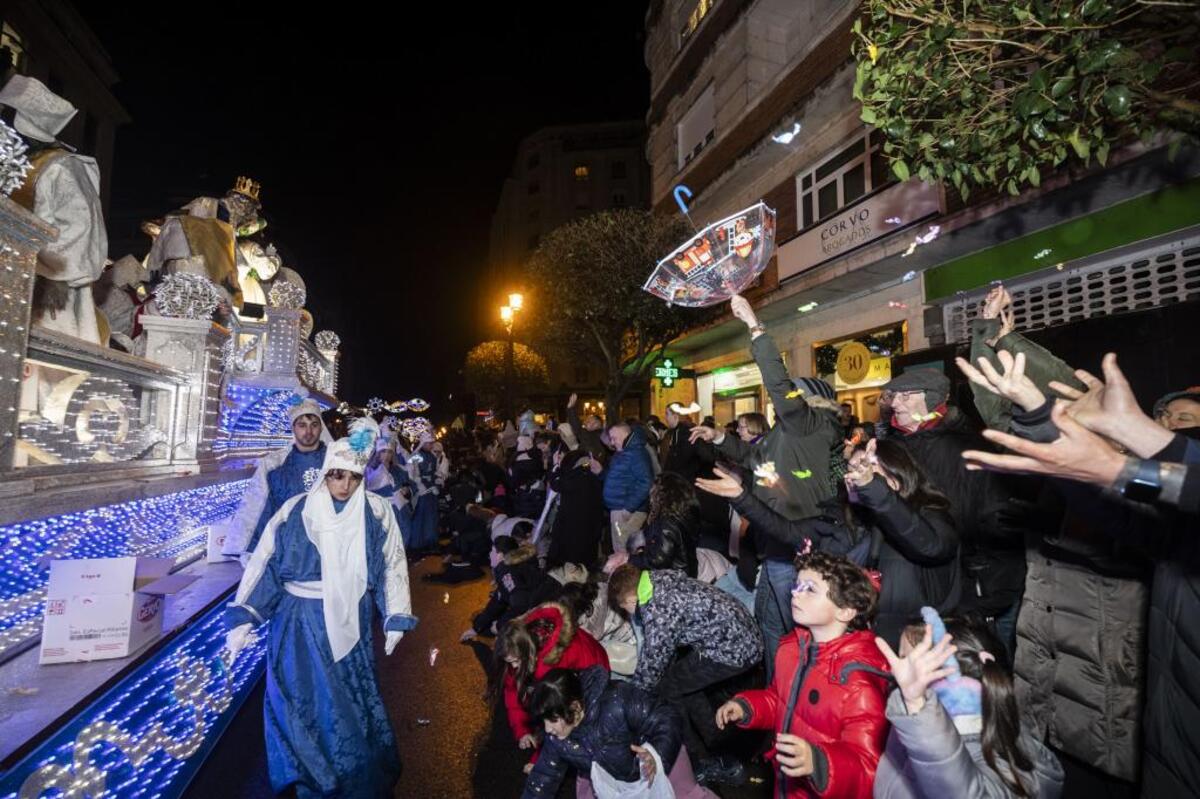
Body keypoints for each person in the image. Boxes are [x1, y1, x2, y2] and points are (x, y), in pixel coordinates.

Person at [960, 352, 1200, 795]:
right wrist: (1041, 420)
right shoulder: (1174, 490)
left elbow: (1143, 500)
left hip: (1105, 683)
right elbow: (1144, 501)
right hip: (1159, 739)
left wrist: (1119, 466)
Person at [224, 418, 416, 798]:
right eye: (338, 476)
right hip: (296, 625)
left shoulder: (375, 514)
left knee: (346, 704)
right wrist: (245, 616)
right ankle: (306, 779)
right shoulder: (295, 511)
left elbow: (392, 564)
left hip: (348, 622)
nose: (345, 485)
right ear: (326, 473)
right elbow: (267, 563)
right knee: (296, 704)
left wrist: (395, 614)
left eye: (354, 478)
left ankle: (351, 775)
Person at [689, 295, 841, 680]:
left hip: (796, 546)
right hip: (772, 543)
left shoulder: (808, 425)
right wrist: (719, 438)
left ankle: (804, 695)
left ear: (809, 402)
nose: (779, 404)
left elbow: (778, 384)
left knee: (799, 633)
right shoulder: (786, 434)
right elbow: (756, 459)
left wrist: (755, 328)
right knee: (772, 627)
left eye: (792, 397)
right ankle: (778, 690)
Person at [696, 437, 960, 648]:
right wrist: (742, 497)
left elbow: (929, 546)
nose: (854, 476)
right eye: (852, 469)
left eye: (866, 469)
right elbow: (788, 531)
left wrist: (873, 489)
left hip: (923, 646)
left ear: (896, 476)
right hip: (862, 646)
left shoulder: (930, 515)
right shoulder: (848, 518)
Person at [714, 551, 890, 799]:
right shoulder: (792, 649)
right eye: (798, 585)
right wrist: (748, 707)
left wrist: (819, 763)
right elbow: (780, 700)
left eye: (810, 589)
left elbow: (868, 770)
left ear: (845, 611)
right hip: (786, 784)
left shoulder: (858, 684)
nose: (795, 592)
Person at [878, 367, 1025, 650]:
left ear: (932, 399)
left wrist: (983, 590)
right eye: (894, 395)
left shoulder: (970, 450)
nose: (896, 403)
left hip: (969, 591)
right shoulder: (893, 448)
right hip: (914, 587)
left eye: (907, 396)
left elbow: (999, 523)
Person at [873, 611, 1065, 799]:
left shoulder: (1003, 763)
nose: (896, 669)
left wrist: (917, 706)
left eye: (908, 661)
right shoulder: (911, 719)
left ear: (946, 679)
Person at [609, 563, 762, 786]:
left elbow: (652, 664)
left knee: (668, 689)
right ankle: (712, 734)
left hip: (734, 649)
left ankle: (702, 760)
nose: (628, 614)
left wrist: (630, 699)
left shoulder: (658, 609)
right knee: (681, 682)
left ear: (631, 600)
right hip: (741, 634)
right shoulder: (658, 581)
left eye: (625, 608)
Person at [1, 75, 107, 344]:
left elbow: (83, 240)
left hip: (48, 304)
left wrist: (34, 264)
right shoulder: (12, 165)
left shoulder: (61, 167)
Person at [521, 666, 687, 799]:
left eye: (553, 720)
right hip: (615, 781)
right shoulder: (557, 737)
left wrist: (658, 755)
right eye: (544, 721)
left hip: (656, 761)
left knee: (688, 793)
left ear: (575, 707)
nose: (548, 729)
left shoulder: (617, 700)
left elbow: (666, 718)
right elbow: (543, 777)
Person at [492, 602, 610, 769]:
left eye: (516, 661)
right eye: (509, 662)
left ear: (528, 652)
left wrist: (538, 760)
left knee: (571, 724)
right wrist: (522, 730)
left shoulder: (553, 662)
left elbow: (551, 712)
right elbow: (513, 691)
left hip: (595, 671)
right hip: (567, 670)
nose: (513, 667)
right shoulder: (520, 645)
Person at [220, 398, 332, 559]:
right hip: (289, 548)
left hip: (329, 543)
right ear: (292, 428)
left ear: (321, 428)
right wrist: (248, 547)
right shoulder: (274, 464)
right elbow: (257, 504)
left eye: (314, 425)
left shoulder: (334, 460)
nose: (308, 431)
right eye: (302, 425)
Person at [545, 448, 607, 570]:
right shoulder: (592, 474)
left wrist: (555, 465)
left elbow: (556, 483)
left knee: (572, 554)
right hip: (591, 523)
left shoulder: (575, 476)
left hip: (573, 525)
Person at [603, 422, 655, 553]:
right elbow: (619, 478)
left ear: (624, 434)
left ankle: (625, 573)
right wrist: (599, 473)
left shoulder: (635, 453)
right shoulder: (626, 452)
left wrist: (628, 508)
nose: (612, 443)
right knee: (621, 547)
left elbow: (646, 482)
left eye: (614, 438)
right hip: (620, 509)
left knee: (623, 549)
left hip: (626, 511)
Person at [406, 432, 443, 554]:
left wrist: (438, 482)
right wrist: (420, 486)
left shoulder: (432, 455)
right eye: (429, 442)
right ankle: (417, 544)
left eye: (432, 442)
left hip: (431, 490)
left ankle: (430, 542)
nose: (431, 445)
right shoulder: (416, 456)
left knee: (432, 517)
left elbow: (437, 471)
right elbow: (411, 473)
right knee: (420, 516)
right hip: (421, 491)